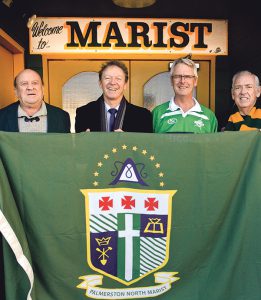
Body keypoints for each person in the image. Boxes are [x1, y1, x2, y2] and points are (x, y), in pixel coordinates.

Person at [75, 60, 153, 133]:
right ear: (100, 83)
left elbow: (146, 146)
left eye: (118, 78)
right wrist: (84, 141)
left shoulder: (143, 116)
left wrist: (129, 141)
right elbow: (77, 146)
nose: (112, 82)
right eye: (107, 78)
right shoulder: (84, 113)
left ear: (125, 84)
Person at [152, 58, 218, 133]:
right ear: (171, 80)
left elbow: (213, 144)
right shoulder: (157, 113)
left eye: (187, 76)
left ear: (195, 81)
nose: (182, 81)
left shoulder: (209, 116)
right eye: (177, 76)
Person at [0, 69, 70, 133]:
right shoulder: (2, 116)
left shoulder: (62, 116)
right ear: (16, 91)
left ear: (43, 89)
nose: (30, 88)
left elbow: (66, 146)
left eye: (35, 83)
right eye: (24, 84)